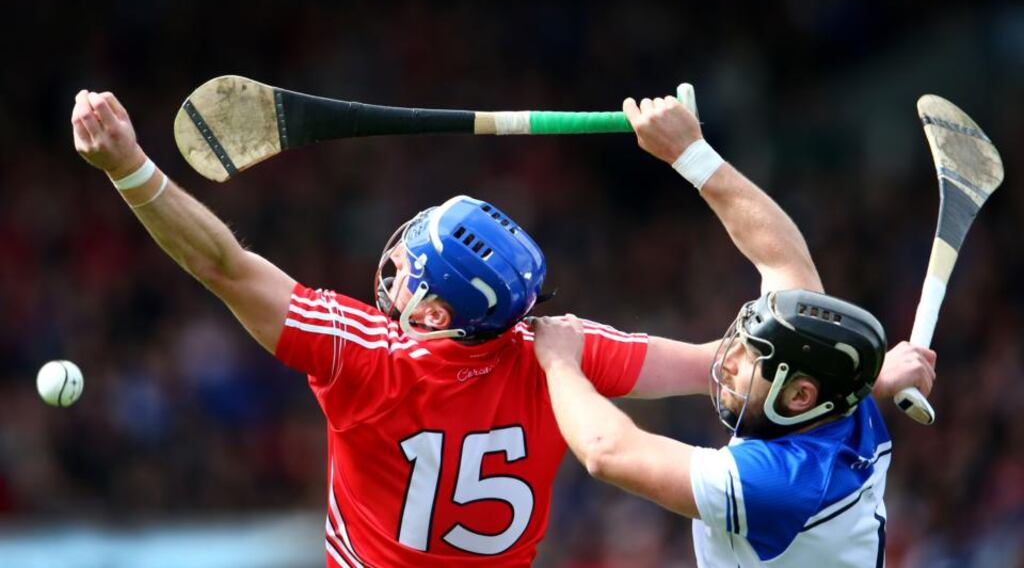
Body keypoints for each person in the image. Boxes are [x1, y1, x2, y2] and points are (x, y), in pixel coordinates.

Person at [70, 88, 933, 567]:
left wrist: (129, 169)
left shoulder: (360, 353)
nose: (398, 264)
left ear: (438, 313)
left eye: (415, 267)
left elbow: (221, 262)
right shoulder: (564, 349)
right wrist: (863, 381)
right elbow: (730, 357)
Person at [530, 96, 938, 567]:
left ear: (800, 395)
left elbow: (608, 452)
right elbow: (781, 256)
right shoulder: (838, 400)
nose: (727, 360)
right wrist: (692, 154)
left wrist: (558, 363)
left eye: (750, 358)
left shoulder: (778, 482)